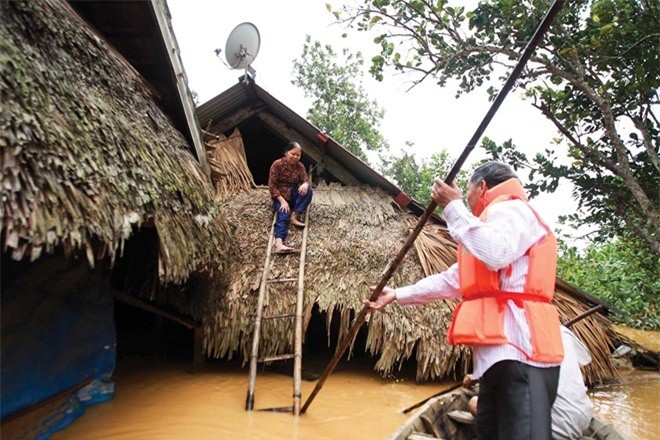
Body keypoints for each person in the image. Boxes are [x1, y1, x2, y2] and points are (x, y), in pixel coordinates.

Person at [365, 161, 564, 440]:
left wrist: (452, 206)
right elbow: (450, 281)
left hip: (523, 354)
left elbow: (496, 252)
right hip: (498, 362)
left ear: (482, 187)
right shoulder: (487, 227)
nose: (468, 201)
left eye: (468, 193)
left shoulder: (512, 209)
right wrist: (397, 294)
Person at [464, 326, 593, 440]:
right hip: (584, 417)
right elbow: (581, 363)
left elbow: (502, 376)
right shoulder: (563, 333)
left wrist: (477, 376)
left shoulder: (518, 338)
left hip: (555, 427)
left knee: (474, 402)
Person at [268, 141, 313, 253]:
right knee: (283, 214)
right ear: (286, 152)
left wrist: (305, 184)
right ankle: (279, 244)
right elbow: (272, 186)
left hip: (293, 194)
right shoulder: (277, 164)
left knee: (309, 192)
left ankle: (294, 216)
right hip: (280, 195)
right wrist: (282, 201)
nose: (296, 157)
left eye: (298, 155)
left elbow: (306, 180)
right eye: (293, 154)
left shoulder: (300, 166)